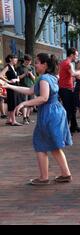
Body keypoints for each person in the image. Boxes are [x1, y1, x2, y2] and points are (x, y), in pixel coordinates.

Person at [0, 53, 72, 185]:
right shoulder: (50, 77)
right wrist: (9, 86)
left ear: (44, 65)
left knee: (40, 143)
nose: (35, 65)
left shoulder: (44, 78)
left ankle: (44, 177)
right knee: (54, 144)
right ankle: (65, 173)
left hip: (49, 113)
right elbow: (29, 90)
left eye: (37, 62)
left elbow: (43, 97)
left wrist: (24, 104)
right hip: (55, 111)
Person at [58, 48, 80, 133]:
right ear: (72, 55)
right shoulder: (68, 63)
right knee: (69, 109)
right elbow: (73, 74)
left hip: (64, 88)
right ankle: (64, 130)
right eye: (76, 55)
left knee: (72, 108)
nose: (77, 57)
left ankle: (74, 126)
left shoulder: (63, 62)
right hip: (66, 89)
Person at [0, 54, 22, 126]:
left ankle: (9, 119)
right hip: (11, 87)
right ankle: (13, 121)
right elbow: (0, 75)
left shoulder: (13, 67)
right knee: (12, 103)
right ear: (10, 59)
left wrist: (17, 79)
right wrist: (8, 81)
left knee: (12, 103)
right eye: (15, 58)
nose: (16, 60)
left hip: (14, 86)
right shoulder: (8, 66)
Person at [16, 54, 37, 125]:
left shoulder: (32, 68)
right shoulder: (20, 68)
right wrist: (25, 74)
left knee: (30, 103)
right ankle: (24, 117)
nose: (29, 63)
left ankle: (27, 116)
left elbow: (35, 79)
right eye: (28, 61)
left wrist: (31, 75)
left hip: (31, 86)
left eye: (30, 61)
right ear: (25, 60)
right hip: (23, 87)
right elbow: (18, 78)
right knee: (25, 102)